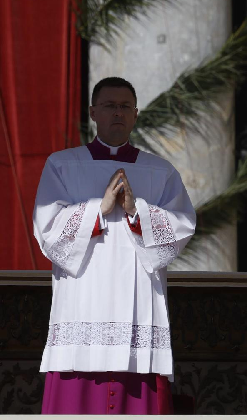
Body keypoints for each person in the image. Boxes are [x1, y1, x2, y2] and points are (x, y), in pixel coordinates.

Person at [33, 77, 196, 414]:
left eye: (124, 107)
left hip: (138, 302)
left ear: (135, 114)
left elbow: (182, 227)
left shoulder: (160, 171)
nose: (117, 113)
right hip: (82, 302)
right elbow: (47, 230)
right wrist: (99, 209)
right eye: (109, 106)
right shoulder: (61, 165)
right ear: (93, 112)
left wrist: (138, 211)